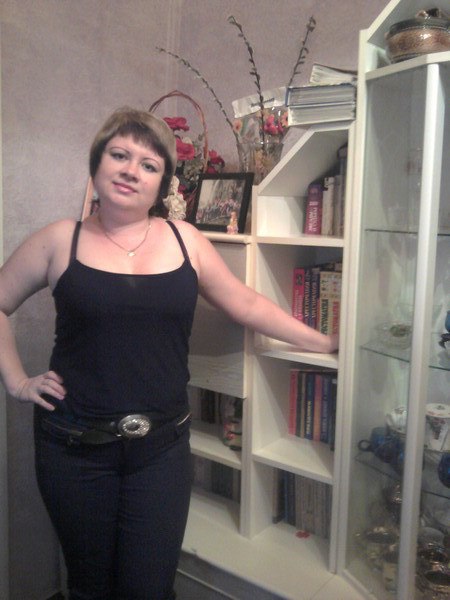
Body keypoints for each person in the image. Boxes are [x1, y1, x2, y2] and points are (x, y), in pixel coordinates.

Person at [0, 107, 338, 600]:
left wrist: (323, 342)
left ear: (163, 184)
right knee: (90, 587)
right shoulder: (58, 240)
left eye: (148, 164)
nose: (130, 170)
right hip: (73, 449)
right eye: (118, 155)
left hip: (161, 452)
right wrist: (17, 381)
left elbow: (245, 304)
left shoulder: (187, 241)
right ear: (96, 164)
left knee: (150, 588)